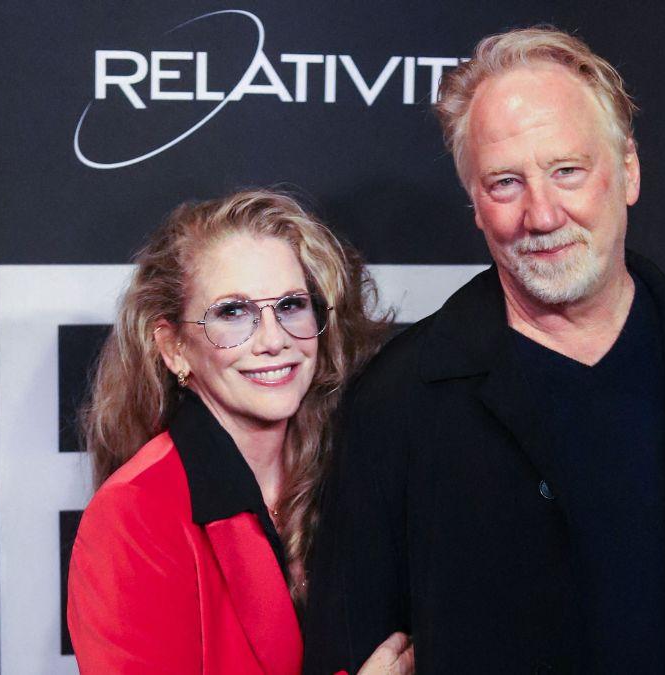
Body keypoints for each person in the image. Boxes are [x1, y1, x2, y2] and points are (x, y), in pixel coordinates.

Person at [304, 27, 665, 674]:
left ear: (628, 170)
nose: (543, 214)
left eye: (567, 171)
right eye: (505, 183)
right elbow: (352, 645)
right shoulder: (398, 400)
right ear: (475, 205)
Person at [66, 190, 413, 674]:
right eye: (232, 312)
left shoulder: (356, 471)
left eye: (290, 305)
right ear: (173, 348)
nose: (274, 339)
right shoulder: (135, 515)